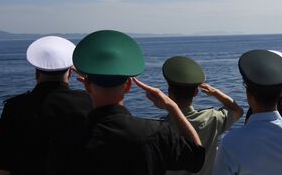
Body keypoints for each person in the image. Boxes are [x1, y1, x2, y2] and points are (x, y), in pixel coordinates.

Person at [49, 30, 205, 175]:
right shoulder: (158, 133)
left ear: (87, 85)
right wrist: (173, 107)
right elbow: (197, 159)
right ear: (128, 85)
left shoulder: (65, 143)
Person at [0, 36, 92, 175]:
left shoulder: (15, 107)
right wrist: (91, 79)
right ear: (71, 73)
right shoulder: (88, 102)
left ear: (36, 73)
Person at [162, 56, 243, 175]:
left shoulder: (160, 128)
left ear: (169, 92)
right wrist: (215, 93)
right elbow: (237, 110)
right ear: (196, 92)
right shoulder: (212, 118)